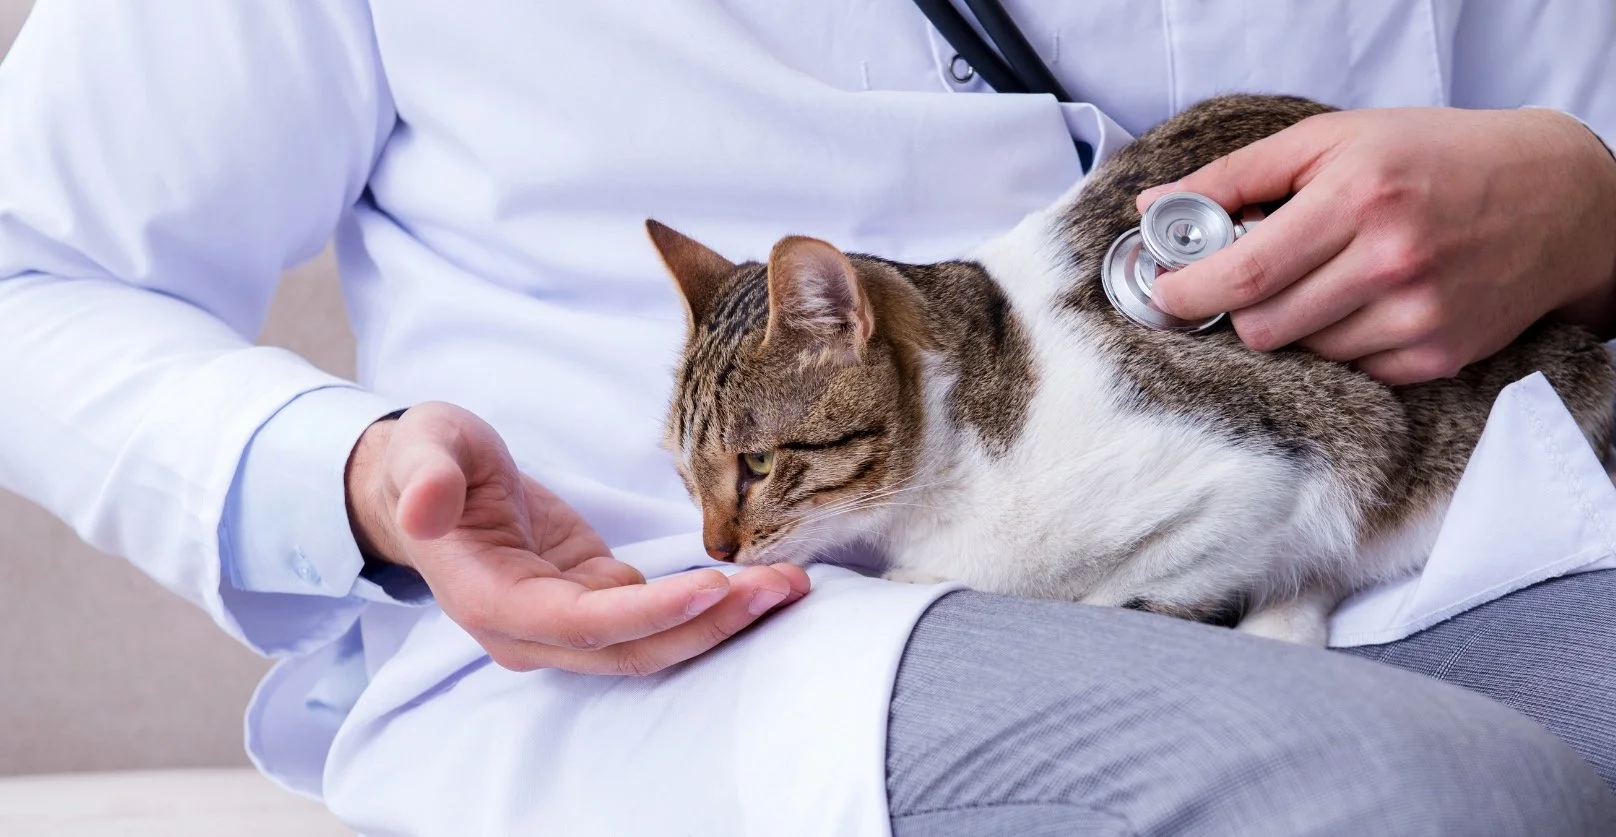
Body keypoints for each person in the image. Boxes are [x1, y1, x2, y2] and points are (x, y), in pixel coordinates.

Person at [1, 2, 1614, 834]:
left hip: (1442, 496)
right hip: (738, 626)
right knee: (1408, 801)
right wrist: (348, 473)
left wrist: (1593, 193)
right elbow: (29, 272)